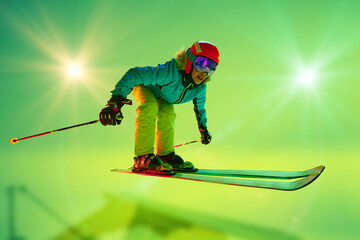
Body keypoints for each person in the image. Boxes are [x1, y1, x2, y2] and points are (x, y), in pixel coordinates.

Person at [99, 41, 220, 175]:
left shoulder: (200, 88)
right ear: (190, 61)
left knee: (168, 112)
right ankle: (143, 157)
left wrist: (203, 130)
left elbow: (200, 108)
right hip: (145, 87)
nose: (204, 72)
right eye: (201, 64)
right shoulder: (171, 72)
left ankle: (165, 155)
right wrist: (115, 101)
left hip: (163, 96)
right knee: (149, 106)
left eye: (211, 67)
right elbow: (135, 74)